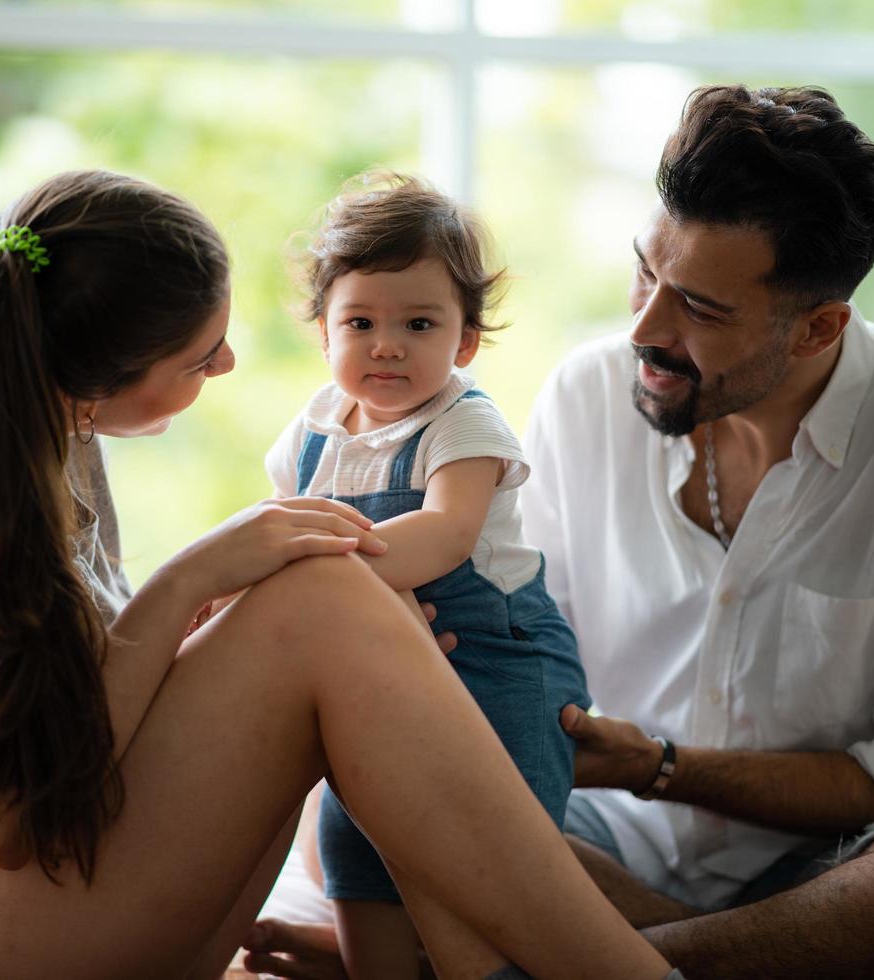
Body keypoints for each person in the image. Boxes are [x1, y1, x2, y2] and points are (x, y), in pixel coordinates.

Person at [246, 86, 874, 979]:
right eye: (645, 274)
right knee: (353, 804)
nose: (644, 329)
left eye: (700, 309)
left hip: (833, 868)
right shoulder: (583, 395)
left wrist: (661, 767)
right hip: (596, 842)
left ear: (817, 327)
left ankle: (586, 960)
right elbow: (515, 638)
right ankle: (653, 958)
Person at [0, 168, 678, 980]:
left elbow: (80, 700)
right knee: (319, 591)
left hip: (49, 886)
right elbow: (2, 823)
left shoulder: (48, 423)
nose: (230, 363)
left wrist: (255, 633)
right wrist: (185, 584)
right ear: (94, 381)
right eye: (202, 358)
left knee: (332, 592)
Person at [263, 173, 591, 979]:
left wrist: (317, 573)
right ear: (323, 330)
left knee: (495, 856)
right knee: (355, 840)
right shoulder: (310, 433)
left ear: (465, 342)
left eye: (419, 323)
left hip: (496, 661)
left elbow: (445, 534)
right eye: (361, 322)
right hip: (383, 670)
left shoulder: (464, 422)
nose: (387, 345)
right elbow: (275, 525)